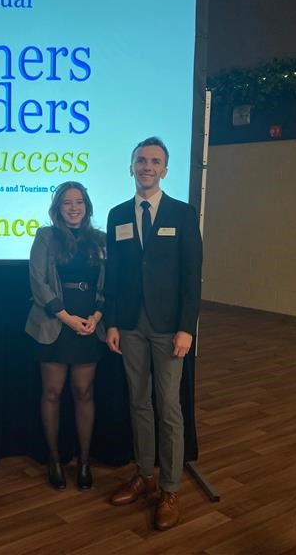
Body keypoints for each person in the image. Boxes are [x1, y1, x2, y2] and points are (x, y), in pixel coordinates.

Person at [104, 136, 202, 531]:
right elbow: (113, 275)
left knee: (169, 407)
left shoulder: (182, 213)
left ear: (165, 170)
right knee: (138, 403)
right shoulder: (117, 215)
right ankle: (145, 476)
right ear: (131, 168)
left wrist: (186, 328)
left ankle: (170, 487)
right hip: (129, 324)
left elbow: (192, 276)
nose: (147, 167)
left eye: (155, 161)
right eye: (140, 161)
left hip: (168, 328)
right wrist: (111, 321)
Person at [25, 181, 107, 491]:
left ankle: (84, 462)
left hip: (89, 325)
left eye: (79, 202)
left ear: (87, 207)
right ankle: (55, 460)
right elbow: (38, 283)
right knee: (52, 393)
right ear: (58, 208)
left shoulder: (99, 239)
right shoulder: (45, 236)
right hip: (54, 325)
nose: (74, 208)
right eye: (67, 203)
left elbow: (107, 283)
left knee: (84, 393)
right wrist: (68, 318)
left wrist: (96, 316)